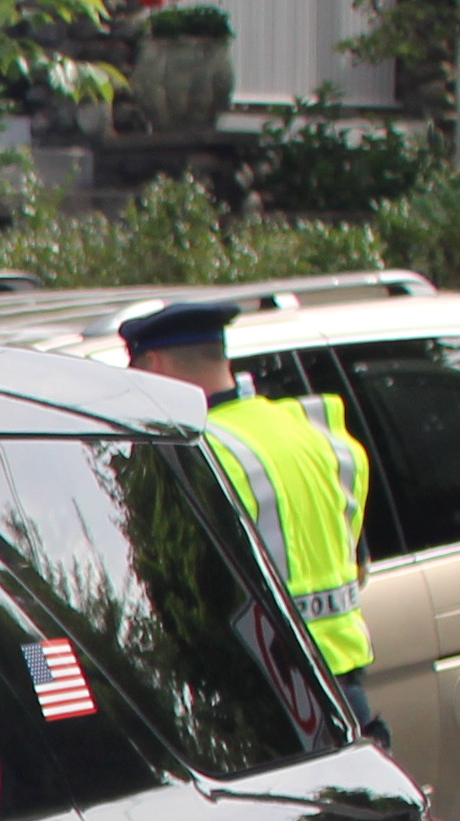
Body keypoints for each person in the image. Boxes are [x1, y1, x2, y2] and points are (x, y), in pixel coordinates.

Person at [126, 297, 379, 734]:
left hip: (264, 706)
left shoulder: (196, 454)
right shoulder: (309, 428)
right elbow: (354, 556)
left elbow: (170, 595)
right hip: (344, 691)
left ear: (156, 364)